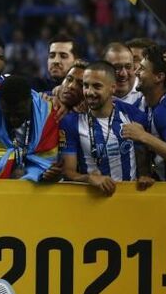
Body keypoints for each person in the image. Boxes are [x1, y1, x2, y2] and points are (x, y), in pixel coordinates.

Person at [60, 61, 153, 196]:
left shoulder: (132, 115)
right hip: (90, 199)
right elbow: (68, 171)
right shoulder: (71, 122)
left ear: (112, 88)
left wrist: (145, 174)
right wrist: (89, 178)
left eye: (97, 86)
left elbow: (146, 151)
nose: (89, 92)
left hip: (129, 197)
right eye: (86, 85)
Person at [0, 75, 62, 185]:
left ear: (31, 100)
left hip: (36, 186)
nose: (13, 119)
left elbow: (46, 160)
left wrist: (46, 174)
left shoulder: (47, 112)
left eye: (19, 114)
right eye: (7, 114)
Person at [120, 45, 166, 181]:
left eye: (142, 68)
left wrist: (144, 136)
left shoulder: (165, 111)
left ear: (159, 77)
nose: (136, 72)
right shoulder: (141, 104)